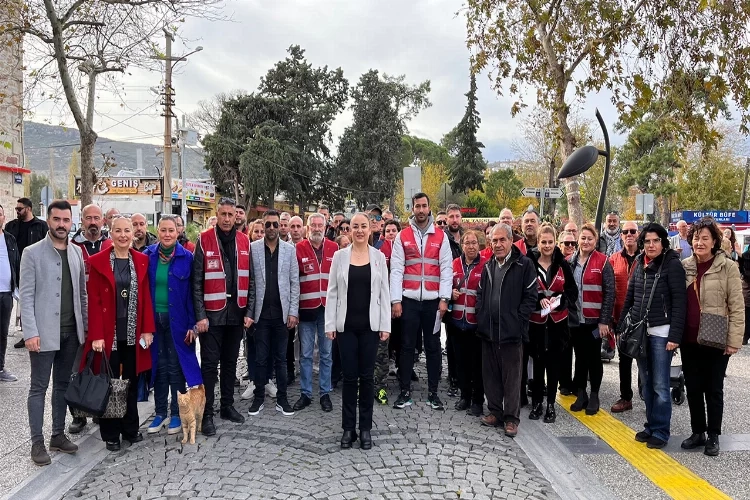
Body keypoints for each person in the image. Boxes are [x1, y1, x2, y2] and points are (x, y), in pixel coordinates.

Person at [21, 200, 87, 465]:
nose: (62, 224)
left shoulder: (76, 253)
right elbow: (25, 297)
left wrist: (85, 329)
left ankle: (57, 435)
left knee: (63, 385)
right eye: (57, 219)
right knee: (38, 387)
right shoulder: (32, 253)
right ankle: (37, 443)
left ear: (72, 222)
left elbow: (81, 293)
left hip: (72, 333)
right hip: (43, 334)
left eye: (66, 220)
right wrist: (30, 333)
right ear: (48, 220)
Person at [84, 215, 155, 452]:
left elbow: (145, 297)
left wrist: (147, 329)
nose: (124, 235)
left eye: (127, 230)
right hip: (108, 333)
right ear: (110, 233)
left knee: (131, 383)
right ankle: (111, 434)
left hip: (133, 333)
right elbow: (93, 301)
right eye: (118, 231)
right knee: (111, 384)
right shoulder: (98, 262)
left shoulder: (141, 260)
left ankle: (131, 428)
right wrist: (96, 335)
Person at [325, 213, 391, 449]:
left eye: (364, 226)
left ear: (370, 230)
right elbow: (332, 292)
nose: (360, 230)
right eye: (356, 227)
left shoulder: (379, 258)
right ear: (349, 230)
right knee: (350, 379)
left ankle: (365, 429)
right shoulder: (339, 257)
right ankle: (347, 429)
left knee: (367, 378)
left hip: (370, 328)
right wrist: (330, 325)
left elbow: (384, 292)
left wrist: (385, 325)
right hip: (346, 328)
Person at [617, 223, 686, 449]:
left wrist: (675, 336)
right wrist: (621, 326)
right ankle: (650, 425)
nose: (651, 245)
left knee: (660, 385)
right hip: (640, 332)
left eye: (655, 240)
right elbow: (630, 297)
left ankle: (661, 431)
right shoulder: (638, 262)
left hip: (662, 333)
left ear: (663, 242)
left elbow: (679, 303)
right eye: (647, 241)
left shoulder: (672, 265)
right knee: (646, 383)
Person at [681, 218, 744, 456]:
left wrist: (734, 340)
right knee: (693, 387)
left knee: (714, 388)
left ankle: (714, 435)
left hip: (716, 336)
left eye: (705, 238)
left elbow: (737, 307)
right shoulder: (684, 265)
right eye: (696, 238)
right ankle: (698, 432)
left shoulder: (728, 267)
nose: (699, 242)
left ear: (715, 241)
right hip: (689, 337)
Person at [192, 198, 253, 436]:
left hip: (236, 314)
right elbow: (196, 282)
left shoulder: (244, 240)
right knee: (209, 366)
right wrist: (200, 316)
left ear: (236, 217)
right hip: (211, 315)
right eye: (223, 214)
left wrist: (248, 312)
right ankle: (207, 414)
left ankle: (227, 406)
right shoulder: (204, 239)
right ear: (216, 215)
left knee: (230, 364)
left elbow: (252, 280)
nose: (227, 219)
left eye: (231, 214)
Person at [390, 193, 453, 411]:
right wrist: (396, 300)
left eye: (424, 206)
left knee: (433, 347)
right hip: (408, 301)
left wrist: (445, 298)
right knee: (406, 347)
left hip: (433, 302)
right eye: (417, 206)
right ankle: (404, 391)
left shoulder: (441, 236)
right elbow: (397, 269)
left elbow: (446, 269)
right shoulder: (403, 236)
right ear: (413, 208)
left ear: (429, 208)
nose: (421, 210)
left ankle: (433, 393)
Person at [476, 224, 538, 437]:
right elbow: (480, 294)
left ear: (511, 241)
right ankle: (495, 411)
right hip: (489, 330)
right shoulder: (487, 266)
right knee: (490, 374)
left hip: (511, 332)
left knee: (512, 378)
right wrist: (481, 314)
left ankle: (511, 418)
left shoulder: (525, 265)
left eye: (502, 240)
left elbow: (531, 298)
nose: (498, 244)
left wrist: (519, 322)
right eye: (495, 241)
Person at [144, 216, 202, 436]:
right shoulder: (147, 256)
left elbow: (192, 295)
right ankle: (160, 413)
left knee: (176, 367)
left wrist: (192, 325)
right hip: (154, 320)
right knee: (158, 366)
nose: (167, 234)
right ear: (157, 231)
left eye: (171, 230)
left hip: (178, 321)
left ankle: (177, 413)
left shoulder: (187, 258)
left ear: (178, 232)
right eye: (163, 230)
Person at [248, 210, 299, 417]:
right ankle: (259, 397)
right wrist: (249, 313)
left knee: (281, 359)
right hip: (260, 315)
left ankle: (282, 399)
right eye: (267, 224)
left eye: (274, 224)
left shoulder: (289, 250)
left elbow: (294, 283)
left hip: (282, 314)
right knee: (260, 359)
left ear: (280, 226)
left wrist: (293, 312)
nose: (270, 228)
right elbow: (250, 283)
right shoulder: (253, 249)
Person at [66, 203, 113, 433]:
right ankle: (78, 414)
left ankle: (99, 408)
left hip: (106, 317)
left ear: (103, 221)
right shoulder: (73, 247)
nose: (93, 222)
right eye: (88, 218)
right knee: (78, 366)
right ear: (82, 221)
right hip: (79, 316)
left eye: (97, 218)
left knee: (102, 365)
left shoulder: (111, 245)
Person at [527, 224, 578, 423]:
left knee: (554, 364)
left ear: (555, 242)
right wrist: (538, 297)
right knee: (538, 363)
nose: (547, 246)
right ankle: (537, 402)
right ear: (538, 242)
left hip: (558, 323)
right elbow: (524, 289)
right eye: (543, 242)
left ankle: (550, 404)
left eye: (550, 242)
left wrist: (560, 300)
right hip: (537, 322)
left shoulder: (563, 264)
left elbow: (572, 292)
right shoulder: (529, 263)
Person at [568, 223, 615, 415]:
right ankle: (581, 393)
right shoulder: (570, 261)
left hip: (595, 322)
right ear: (578, 240)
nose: (586, 241)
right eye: (583, 238)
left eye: (590, 238)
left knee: (594, 357)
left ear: (595, 241)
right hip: (575, 320)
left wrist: (605, 321)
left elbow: (610, 293)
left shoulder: (603, 262)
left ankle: (594, 394)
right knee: (579, 358)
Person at [293, 213, 337, 412]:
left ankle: (325, 393)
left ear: (325, 227)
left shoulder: (334, 248)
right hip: (306, 309)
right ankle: (305, 393)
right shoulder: (298, 248)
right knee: (306, 355)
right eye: (313, 225)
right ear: (307, 228)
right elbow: (294, 282)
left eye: (320, 225)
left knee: (327, 354)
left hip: (328, 310)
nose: (317, 228)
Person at [450, 230, 489, 417]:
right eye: (468, 243)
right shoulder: (455, 264)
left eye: (474, 243)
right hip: (457, 323)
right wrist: (450, 292)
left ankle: (477, 401)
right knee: (461, 363)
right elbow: (446, 285)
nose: (471, 246)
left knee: (477, 365)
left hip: (476, 323)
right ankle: (464, 396)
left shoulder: (485, 265)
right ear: (462, 245)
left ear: (479, 245)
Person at [609, 221, 640, 413]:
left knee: (646, 360)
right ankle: (626, 397)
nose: (629, 234)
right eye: (625, 231)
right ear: (621, 235)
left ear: (638, 234)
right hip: (620, 317)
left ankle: (647, 392)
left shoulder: (647, 258)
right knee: (625, 359)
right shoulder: (613, 259)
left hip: (643, 318)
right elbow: (609, 290)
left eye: (633, 231)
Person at [374, 219, 402, 406]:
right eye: (388, 230)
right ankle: (369, 385)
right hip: (376, 304)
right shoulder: (377, 249)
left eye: (394, 230)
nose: (391, 233)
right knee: (376, 349)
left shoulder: (402, 248)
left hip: (395, 303)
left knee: (388, 348)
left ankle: (382, 386)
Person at [443, 204, 463, 398]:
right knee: (452, 341)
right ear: (447, 219)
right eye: (451, 217)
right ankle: (453, 379)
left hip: (469, 297)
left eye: (457, 216)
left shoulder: (467, 237)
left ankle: (467, 377)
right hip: (450, 297)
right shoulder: (442, 239)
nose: (454, 220)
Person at [0, 205, 20, 382]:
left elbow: (17, 263)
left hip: (6, 293)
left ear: (3, 217)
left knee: (2, 333)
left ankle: (0, 369)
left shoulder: (9, 239)